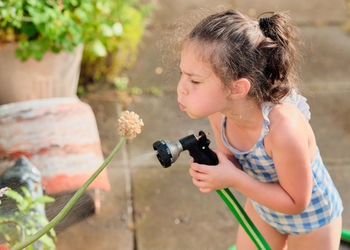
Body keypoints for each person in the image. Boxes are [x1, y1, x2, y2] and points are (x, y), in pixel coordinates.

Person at [177, 9, 343, 249]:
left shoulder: (283, 130)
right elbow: (234, 164)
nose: (181, 88)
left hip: (311, 221)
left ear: (237, 88)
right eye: (182, 74)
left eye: (195, 81)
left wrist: (233, 179)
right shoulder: (220, 114)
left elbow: (296, 202)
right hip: (265, 210)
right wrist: (216, 169)